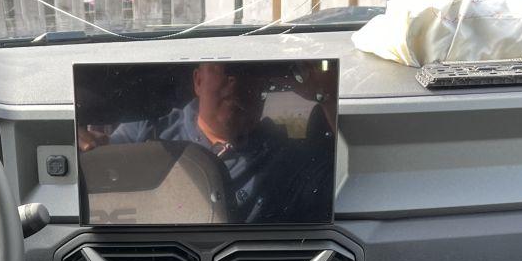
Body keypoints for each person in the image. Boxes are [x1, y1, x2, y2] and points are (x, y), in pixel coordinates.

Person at [79, 62, 335, 224]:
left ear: (264, 89)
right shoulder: (148, 131)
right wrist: (80, 145)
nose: (237, 81)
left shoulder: (285, 159)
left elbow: (344, 183)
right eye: (226, 68)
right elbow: (100, 174)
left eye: (251, 72)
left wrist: (328, 95)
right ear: (198, 80)